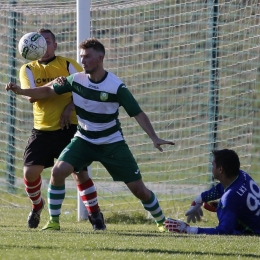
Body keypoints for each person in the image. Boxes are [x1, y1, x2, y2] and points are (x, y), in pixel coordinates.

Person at [6, 38, 175, 232]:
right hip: (84, 139)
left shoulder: (115, 86)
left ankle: (162, 222)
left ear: (100, 58)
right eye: (81, 57)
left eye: (87, 57)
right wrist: (20, 91)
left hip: (111, 143)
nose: (83, 61)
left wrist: (154, 137)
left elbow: (137, 113)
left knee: (139, 190)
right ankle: (53, 221)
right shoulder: (76, 79)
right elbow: (46, 91)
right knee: (58, 171)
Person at [18, 29, 105, 230]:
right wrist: (53, 83)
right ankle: (37, 205)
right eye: (39, 42)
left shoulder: (67, 64)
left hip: (69, 128)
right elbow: (32, 96)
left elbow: (86, 86)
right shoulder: (28, 69)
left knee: (79, 173)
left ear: (54, 45)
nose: (43, 46)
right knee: (30, 173)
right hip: (42, 129)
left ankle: (95, 214)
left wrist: (70, 106)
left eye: (47, 41)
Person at [164, 149, 260, 235]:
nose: (211, 167)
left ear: (220, 169)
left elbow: (224, 231)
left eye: (213, 164)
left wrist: (188, 230)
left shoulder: (229, 197)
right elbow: (221, 188)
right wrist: (201, 198)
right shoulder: (242, 175)